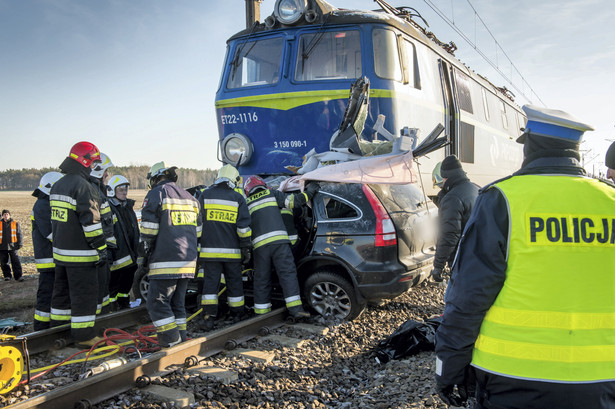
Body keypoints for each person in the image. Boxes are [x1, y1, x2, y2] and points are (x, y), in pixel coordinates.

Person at [434, 105, 615, 409]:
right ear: (577, 149)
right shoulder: (609, 201)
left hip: (510, 377)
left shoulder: (501, 199)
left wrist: (448, 369)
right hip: (602, 378)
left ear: (529, 146)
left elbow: (468, 297)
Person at [50, 141, 106, 347]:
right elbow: (91, 224)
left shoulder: (59, 185)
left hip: (61, 255)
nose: (93, 167)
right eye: (92, 163)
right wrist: (101, 249)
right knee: (84, 295)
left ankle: (59, 333)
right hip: (82, 255)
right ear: (84, 161)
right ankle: (84, 337)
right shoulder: (84, 188)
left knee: (61, 296)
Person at [139, 161, 200, 347]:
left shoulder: (157, 194)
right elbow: (198, 232)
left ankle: (171, 342)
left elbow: (148, 231)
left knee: (156, 302)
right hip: (188, 261)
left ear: (155, 177)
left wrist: (143, 255)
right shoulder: (191, 198)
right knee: (177, 304)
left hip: (165, 260)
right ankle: (181, 341)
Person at [243, 175, 319, 318]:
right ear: (263, 185)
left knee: (261, 279)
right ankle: (296, 311)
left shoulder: (246, 203)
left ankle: (261, 314)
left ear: (248, 191)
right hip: (279, 244)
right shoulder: (271, 193)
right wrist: (309, 193)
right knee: (287, 274)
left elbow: (244, 227)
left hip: (260, 248)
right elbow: (293, 202)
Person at [197, 164, 251, 331]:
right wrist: (246, 248)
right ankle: (237, 314)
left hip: (209, 253)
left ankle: (208, 317)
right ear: (234, 180)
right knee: (235, 283)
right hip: (232, 254)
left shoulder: (205, 195)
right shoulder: (238, 198)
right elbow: (243, 229)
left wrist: (198, 245)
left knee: (210, 286)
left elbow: (197, 225)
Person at [429, 155, 479, 282]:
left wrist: (438, 266)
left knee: (457, 298)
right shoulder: (476, 188)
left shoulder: (452, 198)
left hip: (463, 261)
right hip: (479, 257)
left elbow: (450, 235)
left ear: (446, 177)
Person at [31, 171, 63, 330]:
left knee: (55, 294)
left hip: (53, 258)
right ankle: (40, 328)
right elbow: (51, 233)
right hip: (48, 260)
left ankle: (51, 326)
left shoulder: (47, 203)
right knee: (46, 294)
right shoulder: (42, 205)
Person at [107, 174, 139, 310]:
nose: (124, 192)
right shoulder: (108, 207)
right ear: (112, 190)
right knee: (114, 283)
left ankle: (123, 305)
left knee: (126, 282)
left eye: (126, 189)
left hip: (130, 253)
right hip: (117, 254)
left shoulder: (127, 207)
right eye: (121, 189)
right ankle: (112, 308)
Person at [89, 153, 116, 314]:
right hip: (97, 251)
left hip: (102, 251)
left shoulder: (98, 190)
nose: (107, 175)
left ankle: (104, 321)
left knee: (103, 290)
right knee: (98, 290)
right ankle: (99, 321)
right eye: (105, 171)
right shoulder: (93, 191)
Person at [0, 209, 23, 281]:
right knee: (4, 262)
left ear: (9, 215)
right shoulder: (0, 223)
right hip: (2, 246)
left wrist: (20, 243)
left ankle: (18, 276)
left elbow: (19, 234)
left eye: (7, 214)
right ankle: (7, 276)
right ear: (2, 215)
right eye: (4, 214)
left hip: (13, 246)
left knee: (15, 261)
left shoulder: (15, 223)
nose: (6, 216)